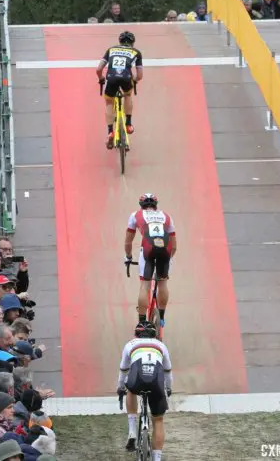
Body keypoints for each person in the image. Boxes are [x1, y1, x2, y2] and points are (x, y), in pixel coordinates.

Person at [117, 321, 173, 461]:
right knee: (158, 420)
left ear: (136, 334)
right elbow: (168, 373)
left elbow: (123, 370)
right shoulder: (161, 345)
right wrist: (168, 388)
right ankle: (157, 458)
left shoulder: (130, 344)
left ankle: (132, 431)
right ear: (155, 336)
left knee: (129, 387)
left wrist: (120, 387)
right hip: (156, 382)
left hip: (137, 380)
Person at [123, 193, 176, 328]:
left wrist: (128, 257)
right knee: (163, 283)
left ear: (141, 206)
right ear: (156, 205)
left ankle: (142, 323)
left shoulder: (136, 215)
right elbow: (174, 246)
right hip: (165, 249)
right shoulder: (166, 216)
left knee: (145, 285)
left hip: (148, 249)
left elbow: (128, 242)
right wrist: (168, 259)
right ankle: (162, 317)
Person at [95, 31, 144, 149]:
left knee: (109, 102)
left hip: (111, 78)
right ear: (133, 42)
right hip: (126, 78)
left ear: (119, 41)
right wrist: (135, 81)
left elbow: (98, 69)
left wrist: (101, 78)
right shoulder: (136, 52)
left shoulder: (111, 50)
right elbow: (140, 75)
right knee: (127, 95)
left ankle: (110, 131)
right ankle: (128, 124)